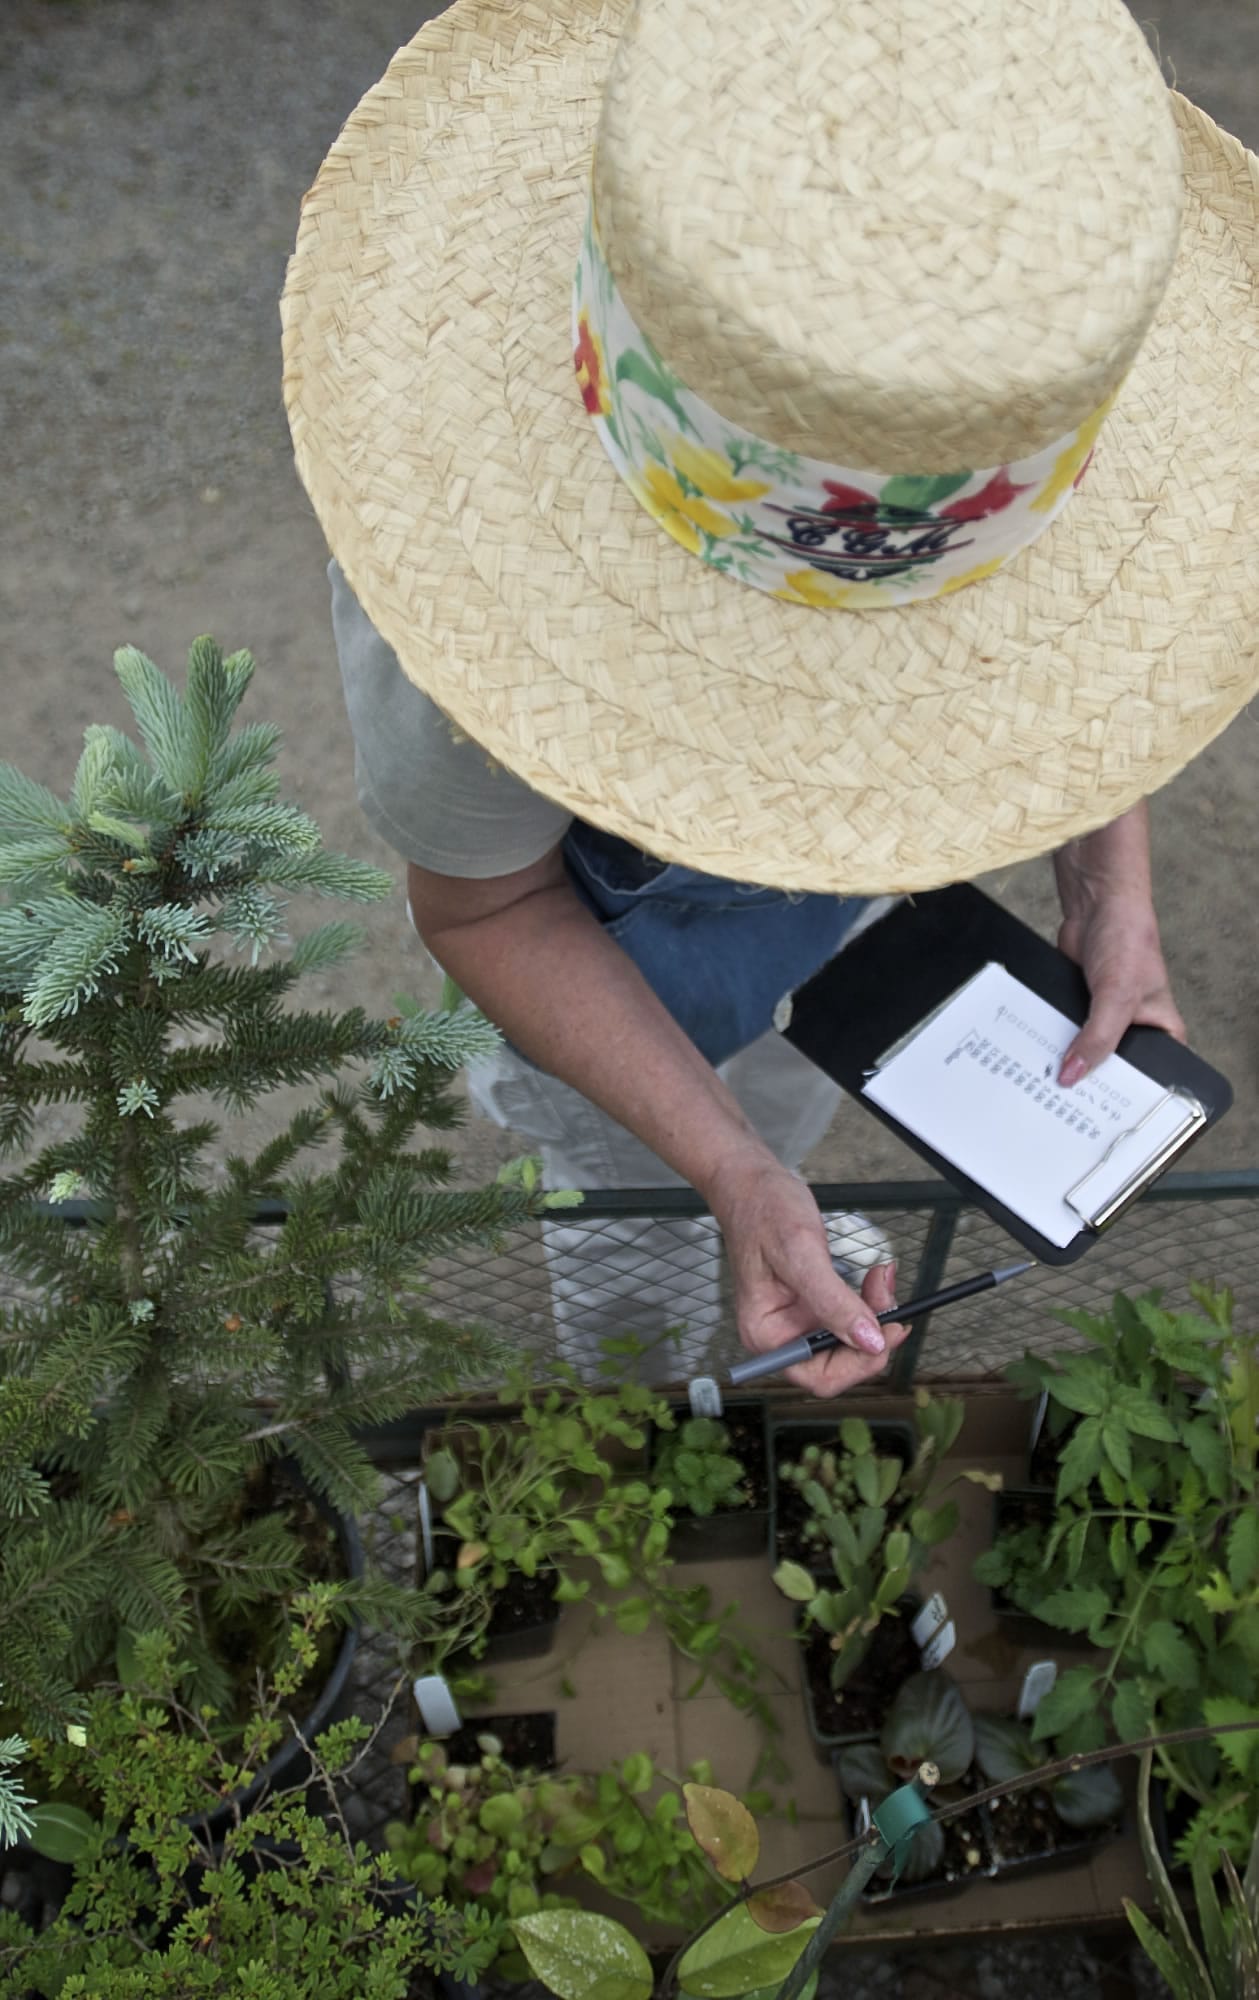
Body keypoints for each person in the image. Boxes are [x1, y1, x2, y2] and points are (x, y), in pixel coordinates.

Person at [282, 0, 1258, 1394]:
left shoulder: (1024, 364)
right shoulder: (458, 610)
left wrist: (1111, 892)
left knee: (789, 1104)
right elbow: (490, 904)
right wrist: (725, 1171)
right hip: (614, 996)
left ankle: (746, 1228)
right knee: (626, 1219)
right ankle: (633, 1392)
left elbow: (1086, 679)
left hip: (839, 955)